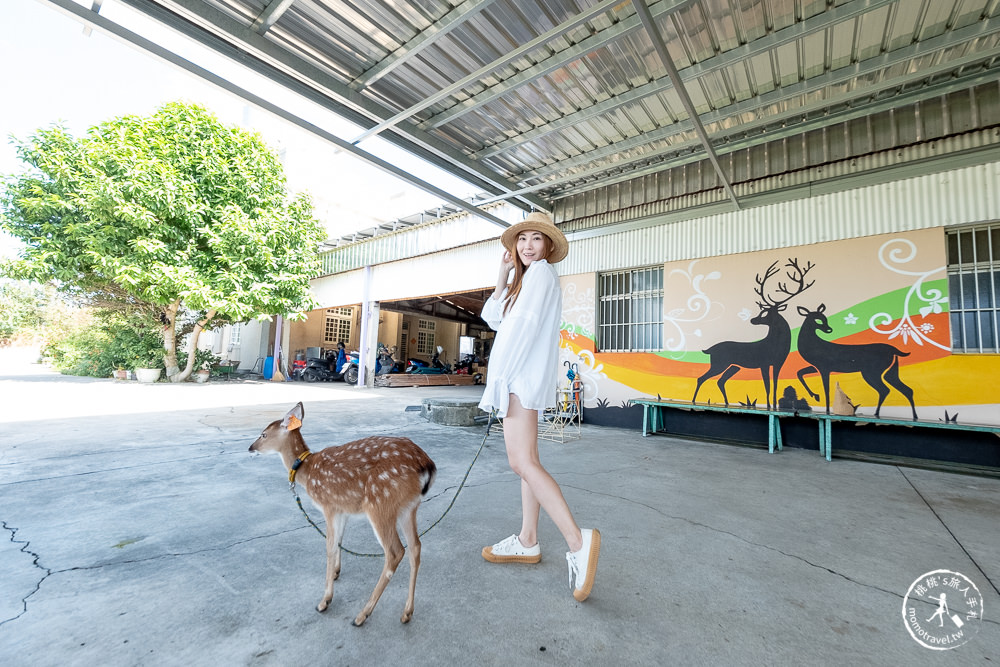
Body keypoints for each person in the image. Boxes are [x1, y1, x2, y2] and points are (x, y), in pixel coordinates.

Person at [478, 211, 601, 602]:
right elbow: (493, 317)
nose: (528, 245)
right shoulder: (527, 279)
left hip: (519, 379)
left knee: (523, 463)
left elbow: (521, 331)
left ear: (548, 246)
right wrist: (503, 276)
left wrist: (500, 382)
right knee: (527, 460)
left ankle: (578, 541)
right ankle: (528, 539)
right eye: (522, 239)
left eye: (536, 239)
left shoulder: (541, 275)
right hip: (521, 379)